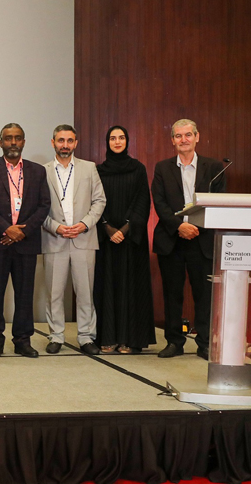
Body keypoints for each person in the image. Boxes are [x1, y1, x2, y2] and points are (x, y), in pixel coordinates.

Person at [151, 119, 226, 359]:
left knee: (203, 294)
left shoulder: (214, 168)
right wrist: (181, 226)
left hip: (202, 240)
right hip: (172, 239)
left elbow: (219, 202)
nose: (184, 139)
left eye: (188, 135)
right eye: (178, 136)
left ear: (197, 137)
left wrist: (195, 227)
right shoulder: (162, 168)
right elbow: (160, 204)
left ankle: (204, 343)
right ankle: (174, 342)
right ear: (172, 140)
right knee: (172, 293)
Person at [0, 123, 51, 358]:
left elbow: (44, 205)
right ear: (0, 142)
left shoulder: (38, 171)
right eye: (8, 138)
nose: (13, 142)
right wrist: (6, 229)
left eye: (17, 138)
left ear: (23, 142)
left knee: (24, 294)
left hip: (26, 242)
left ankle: (22, 340)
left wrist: (23, 231)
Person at [40, 125, 106, 355]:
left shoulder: (89, 168)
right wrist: (56, 227)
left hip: (84, 238)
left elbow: (99, 201)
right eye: (60, 140)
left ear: (76, 143)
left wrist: (84, 224)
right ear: (53, 142)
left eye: (69, 140)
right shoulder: (43, 171)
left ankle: (86, 337)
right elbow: (38, 207)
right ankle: (56, 336)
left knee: (85, 292)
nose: (65, 145)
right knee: (54, 293)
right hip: (54, 239)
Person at [94, 126, 156, 354]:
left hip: (131, 241)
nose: (117, 141)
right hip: (106, 239)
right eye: (113, 138)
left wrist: (126, 228)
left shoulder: (138, 168)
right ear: (107, 142)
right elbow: (95, 202)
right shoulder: (98, 171)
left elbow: (143, 201)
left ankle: (130, 340)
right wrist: (108, 228)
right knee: (107, 288)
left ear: (127, 141)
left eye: (121, 138)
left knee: (131, 290)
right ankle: (108, 338)